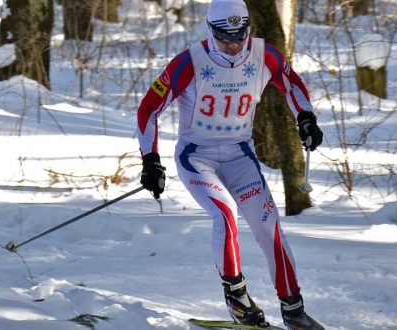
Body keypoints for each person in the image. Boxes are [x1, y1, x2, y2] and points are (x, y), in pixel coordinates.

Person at [136, 0, 324, 328]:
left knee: (270, 227)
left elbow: (290, 82)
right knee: (224, 213)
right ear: (211, 32)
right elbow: (148, 109)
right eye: (226, 37)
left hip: (240, 156)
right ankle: (237, 299)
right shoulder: (188, 63)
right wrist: (150, 160)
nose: (235, 45)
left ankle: (294, 311)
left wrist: (305, 118)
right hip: (197, 157)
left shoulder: (263, 54)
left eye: (241, 35)